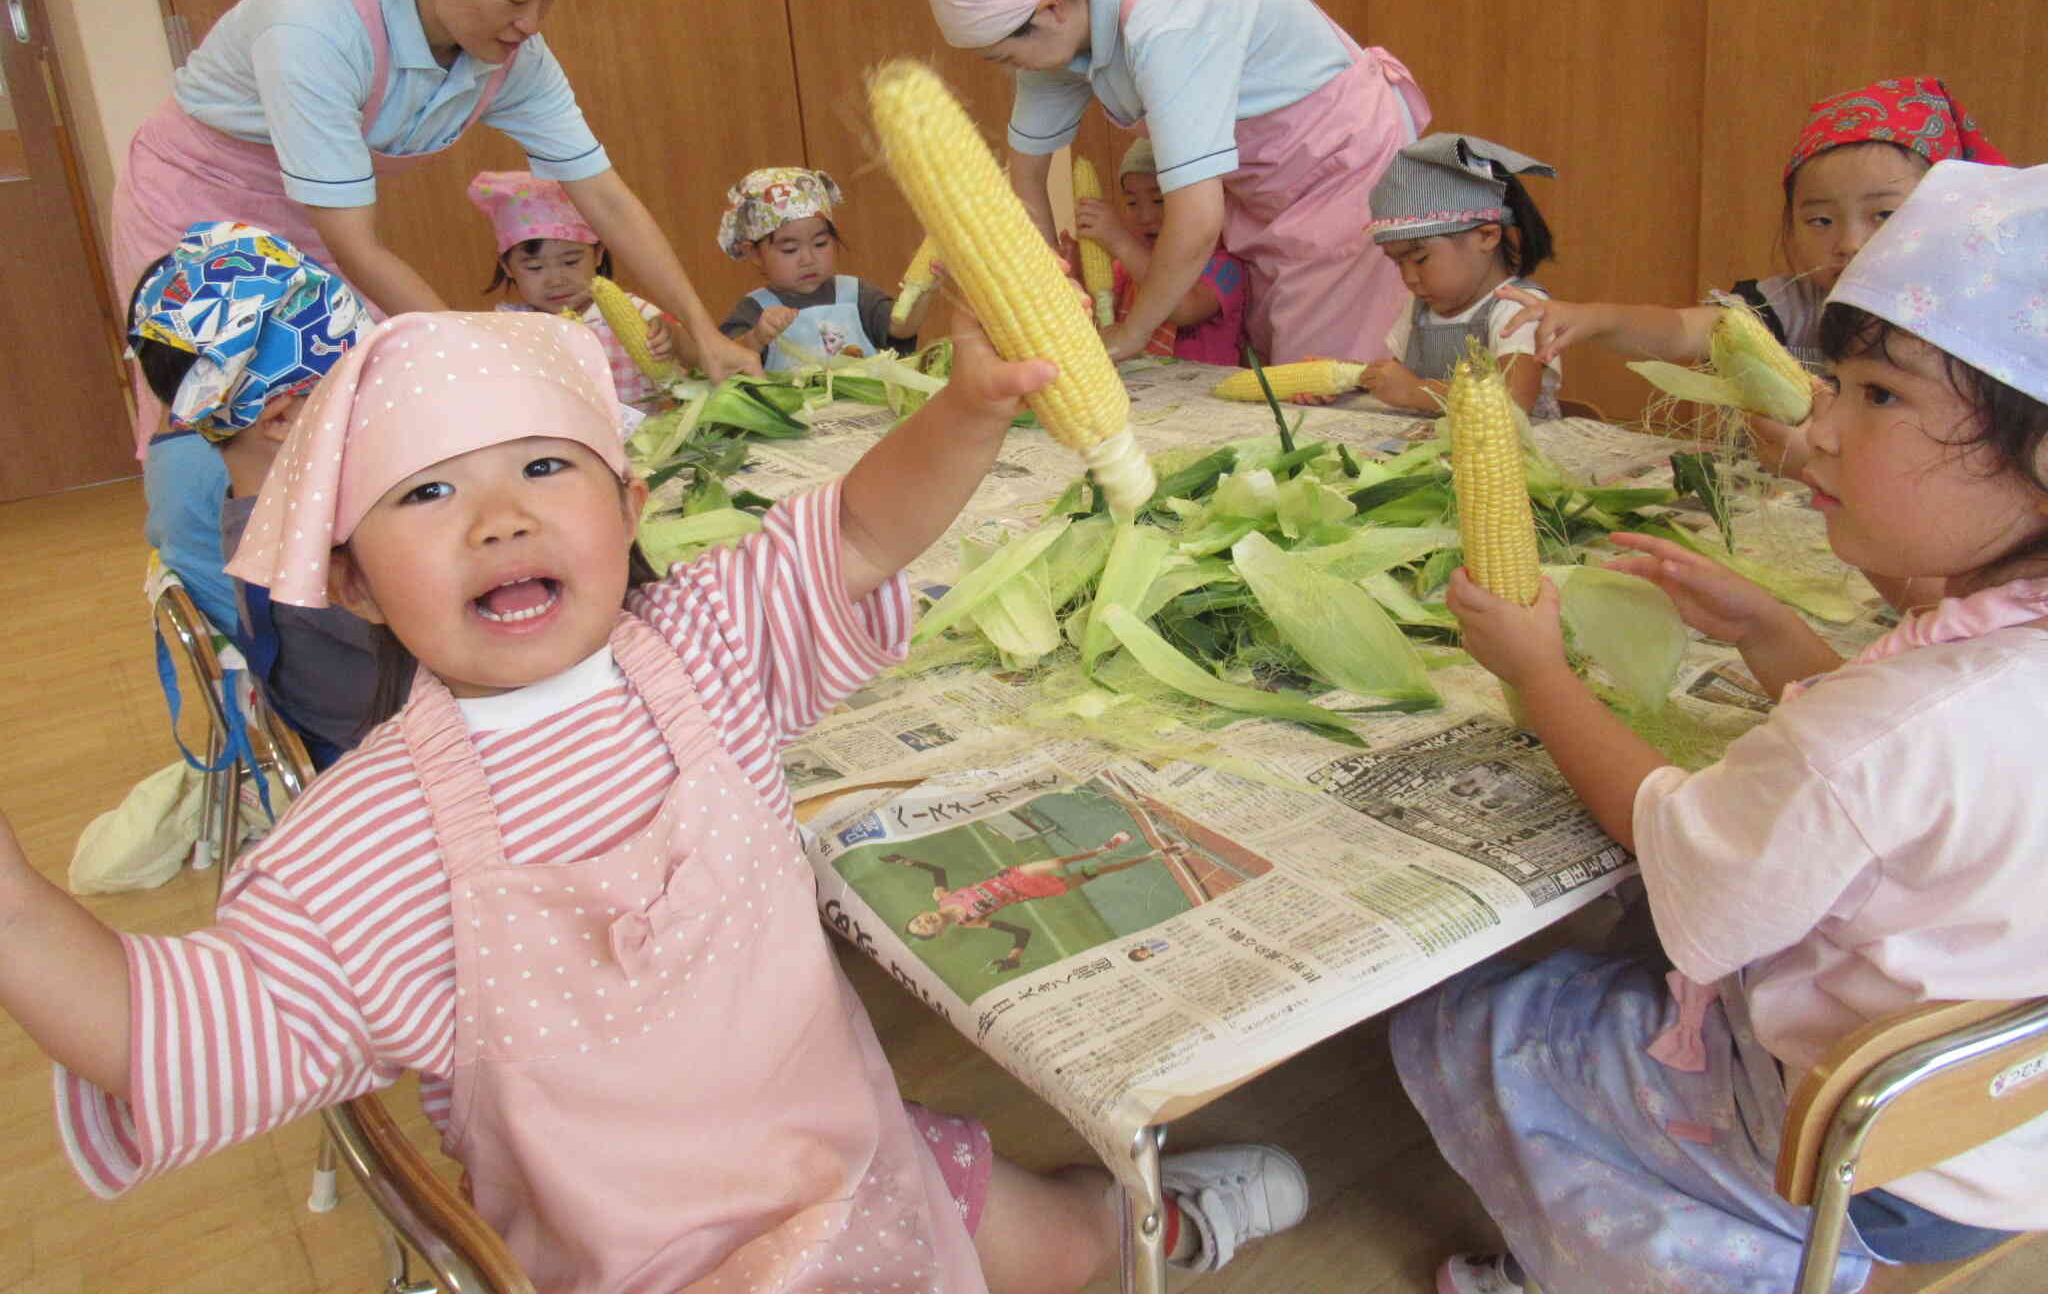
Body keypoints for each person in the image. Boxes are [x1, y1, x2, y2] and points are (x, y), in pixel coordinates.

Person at [6, 309, 1306, 1290]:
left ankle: (1149, 1222)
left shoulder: (705, 645)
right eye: (431, 493)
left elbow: (854, 534)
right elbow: (163, 1029)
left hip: (848, 1156)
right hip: (643, 1269)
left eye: (544, 470)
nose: (500, 520)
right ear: (351, 581)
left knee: (1068, 1240)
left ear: (629, 510)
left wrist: (971, 406)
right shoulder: (371, 841)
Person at [1396, 160, 2048, 1294]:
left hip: (1861, 1156)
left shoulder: (1884, 736)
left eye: (1875, 396)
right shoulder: (1987, 667)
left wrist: (1541, 674)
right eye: (1830, 384)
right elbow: (1914, 774)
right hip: (2004, 1130)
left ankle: (1680, 1261)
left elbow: (1687, 863)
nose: (1819, 432)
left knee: (1467, 1022)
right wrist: (1767, 632)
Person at [109, 0, 755, 454]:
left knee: (346, 416)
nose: (532, 23)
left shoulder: (512, 58)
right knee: (222, 418)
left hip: (323, 221)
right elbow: (356, 249)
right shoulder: (315, 29)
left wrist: (703, 330)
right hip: (198, 214)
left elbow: (604, 198)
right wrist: (486, 361)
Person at [921, 0, 1429, 366]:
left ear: (1050, 9)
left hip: (1343, 170)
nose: (1009, 70)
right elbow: (1026, 181)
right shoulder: (1059, 40)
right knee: (1266, 350)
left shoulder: (1169, 16)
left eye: (1004, 56)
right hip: (1262, 185)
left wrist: (1130, 333)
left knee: (1320, 368)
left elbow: (1197, 216)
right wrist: (1048, 302)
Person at [1495, 75, 2006, 377]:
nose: (1850, 244)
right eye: (1820, 220)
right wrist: (1599, 318)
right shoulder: (1794, 306)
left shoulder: (1978, 326)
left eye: (1885, 215)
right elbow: (1681, 331)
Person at [129, 224, 377, 766]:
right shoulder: (318, 552)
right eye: (363, 384)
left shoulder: (264, 511)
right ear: (284, 418)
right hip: (392, 768)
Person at [1348, 133, 1563, 418]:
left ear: (1486, 236)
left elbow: (1512, 400)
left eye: (1420, 258)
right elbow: (1397, 380)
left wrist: (1417, 391)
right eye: (1397, 263)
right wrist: (1347, 382)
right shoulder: (1419, 310)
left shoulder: (1519, 307)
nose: (1409, 278)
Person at [469, 169, 677, 410]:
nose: (556, 280)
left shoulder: (639, 311)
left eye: (570, 262)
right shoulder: (508, 328)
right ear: (507, 267)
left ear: (598, 254)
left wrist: (673, 341)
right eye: (535, 267)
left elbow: (694, 361)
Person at [715, 166, 938, 370]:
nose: (808, 259)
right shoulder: (754, 309)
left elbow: (901, 329)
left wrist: (925, 287)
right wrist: (756, 338)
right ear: (755, 255)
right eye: (790, 250)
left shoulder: (855, 294)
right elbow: (722, 362)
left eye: (820, 244)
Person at [887, 831, 1190, 970]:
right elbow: (1022, 933)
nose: (924, 922)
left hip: (1013, 876)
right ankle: (1156, 854)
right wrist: (1014, 957)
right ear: (939, 933)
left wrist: (904, 861)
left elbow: (937, 870)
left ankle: (1102, 846)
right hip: (1030, 891)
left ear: (924, 911)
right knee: (1097, 872)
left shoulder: (941, 896)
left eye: (919, 920)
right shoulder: (971, 922)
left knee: (1057, 860)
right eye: (925, 929)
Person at [1072, 137, 1248, 365]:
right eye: (1132, 203)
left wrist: (1120, 242)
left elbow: (1183, 309)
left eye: (1158, 200)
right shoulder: (1124, 268)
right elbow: (1097, 320)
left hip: (1200, 395)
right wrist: (1075, 276)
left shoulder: (1226, 266)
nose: (1146, 217)